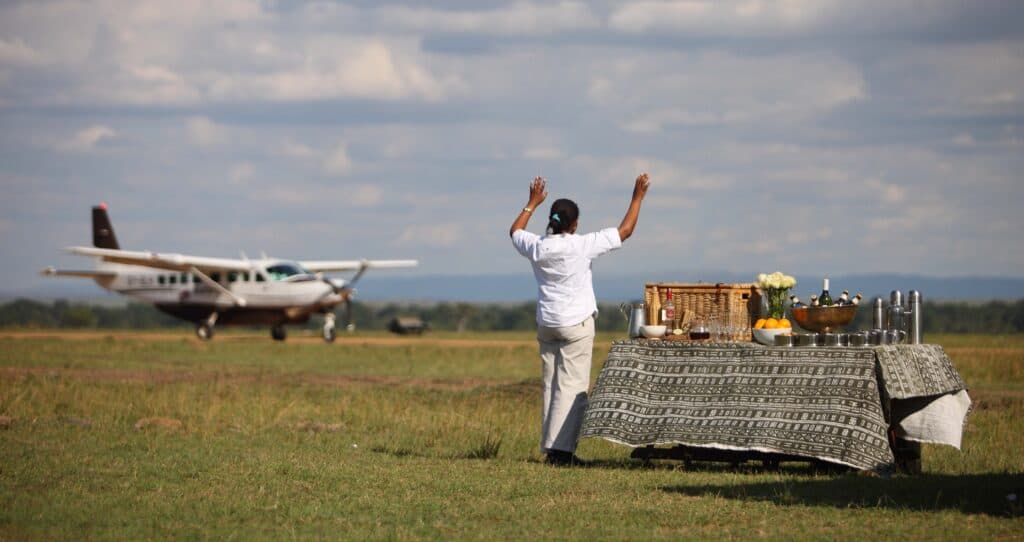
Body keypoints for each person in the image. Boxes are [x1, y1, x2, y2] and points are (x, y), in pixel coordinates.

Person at [509, 173, 650, 465]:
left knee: (550, 384)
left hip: (547, 323)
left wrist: (531, 203)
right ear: (574, 225)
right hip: (575, 324)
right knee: (572, 388)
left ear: (551, 220)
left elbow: (515, 231)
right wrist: (637, 197)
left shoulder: (537, 246)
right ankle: (563, 454)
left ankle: (552, 449)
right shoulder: (581, 244)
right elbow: (625, 231)